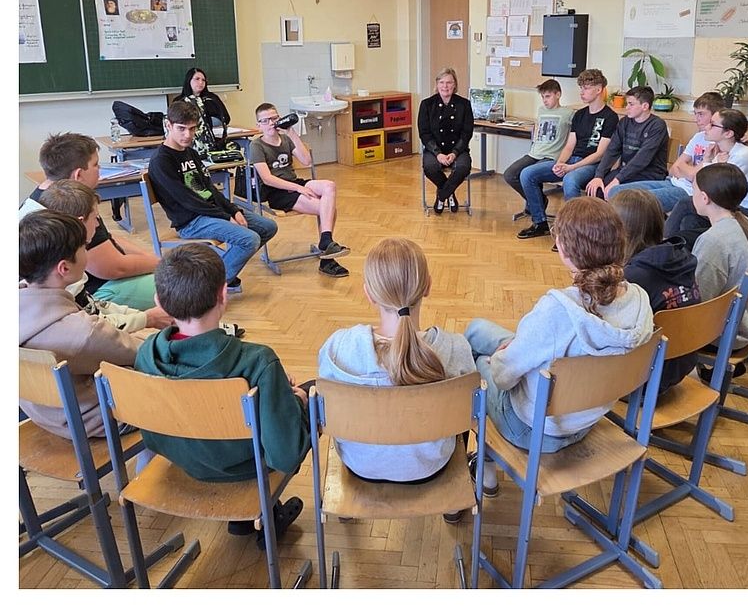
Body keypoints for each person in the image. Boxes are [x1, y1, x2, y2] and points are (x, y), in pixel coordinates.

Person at [134, 243, 309, 546]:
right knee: (312, 392)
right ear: (223, 295)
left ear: (159, 301)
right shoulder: (257, 360)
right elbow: (285, 456)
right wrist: (295, 400)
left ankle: (245, 522)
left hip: (181, 458)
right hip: (241, 466)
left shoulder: (146, 354)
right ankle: (262, 515)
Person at [465, 197, 653, 462]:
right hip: (586, 418)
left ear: (564, 248)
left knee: (470, 357)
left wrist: (500, 357)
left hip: (533, 429)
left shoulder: (557, 310)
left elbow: (503, 378)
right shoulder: (639, 300)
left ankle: (486, 464)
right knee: (477, 329)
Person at [318, 238, 477, 521]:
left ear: (369, 294)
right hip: (431, 466)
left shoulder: (337, 349)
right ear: (428, 286)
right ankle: (452, 506)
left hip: (360, 466)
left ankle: (347, 505)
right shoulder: (455, 349)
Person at [19, 210, 142, 439]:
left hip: (44, 415)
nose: (87, 251)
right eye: (84, 248)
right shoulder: (83, 332)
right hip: (96, 420)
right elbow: (140, 354)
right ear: (64, 268)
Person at [148, 100, 277, 293]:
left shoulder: (190, 152)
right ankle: (208, 289)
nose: (187, 135)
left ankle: (225, 274)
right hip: (191, 221)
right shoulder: (161, 161)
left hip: (209, 213)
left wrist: (233, 210)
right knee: (249, 240)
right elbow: (187, 200)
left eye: (192, 129)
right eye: (181, 129)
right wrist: (226, 217)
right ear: (168, 125)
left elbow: (210, 190)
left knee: (268, 227)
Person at [29, 132, 158, 310]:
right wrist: (160, 264)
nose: (101, 170)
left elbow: (106, 239)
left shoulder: (45, 195)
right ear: (79, 175)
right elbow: (114, 268)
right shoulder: (66, 207)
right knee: (184, 289)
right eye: (96, 165)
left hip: (97, 285)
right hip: (93, 292)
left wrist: (152, 259)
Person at [39, 180, 172, 335]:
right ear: (80, 222)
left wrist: (143, 317)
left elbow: (92, 307)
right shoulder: (66, 271)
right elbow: (94, 327)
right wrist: (148, 318)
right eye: (96, 218)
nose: (97, 225)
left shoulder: (61, 256)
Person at [610, 189, 701, 393]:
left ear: (620, 231)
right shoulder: (682, 258)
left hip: (645, 379)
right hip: (681, 364)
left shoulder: (633, 279)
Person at [251, 102, 350, 278]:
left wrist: (291, 132)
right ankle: (327, 257)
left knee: (329, 186)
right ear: (258, 124)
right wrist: (298, 188)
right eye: (265, 120)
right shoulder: (257, 146)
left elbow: (306, 161)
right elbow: (267, 178)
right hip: (278, 191)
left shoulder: (286, 139)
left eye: (274, 118)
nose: (271, 123)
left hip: (295, 183)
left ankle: (325, 241)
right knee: (328, 208)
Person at [665, 108, 748, 247]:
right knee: (690, 220)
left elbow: (706, 187)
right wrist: (707, 160)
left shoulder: (743, 155)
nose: (707, 126)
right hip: (731, 209)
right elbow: (699, 184)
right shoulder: (722, 152)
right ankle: (684, 261)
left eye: (713, 124)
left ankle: (663, 246)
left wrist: (707, 163)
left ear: (728, 133)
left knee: (686, 203)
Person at [520, 69, 619, 219]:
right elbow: (569, 146)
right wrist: (559, 164)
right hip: (572, 160)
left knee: (570, 179)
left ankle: (574, 230)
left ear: (598, 90)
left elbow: (600, 154)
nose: (582, 92)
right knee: (527, 174)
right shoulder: (579, 115)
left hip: (592, 165)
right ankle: (539, 222)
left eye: (586, 88)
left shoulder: (610, 117)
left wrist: (571, 168)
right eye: (581, 88)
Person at [691, 164, 748, 352]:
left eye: (693, 190)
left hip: (724, 331)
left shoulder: (714, 240)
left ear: (704, 198)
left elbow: (699, 300)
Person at [607, 91, 725, 212]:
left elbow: (696, 177)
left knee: (631, 202)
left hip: (689, 191)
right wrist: (689, 172)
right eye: (695, 114)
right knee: (615, 191)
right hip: (672, 181)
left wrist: (686, 171)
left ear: (716, 116)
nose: (696, 119)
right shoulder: (698, 137)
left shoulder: (721, 144)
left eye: (701, 114)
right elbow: (674, 169)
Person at [505, 79, 574, 236]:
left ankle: (539, 221)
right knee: (510, 174)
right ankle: (539, 200)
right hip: (534, 153)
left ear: (558, 94)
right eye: (543, 97)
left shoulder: (568, 114)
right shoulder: (541, 110)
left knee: (528, 174)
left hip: (552, 157)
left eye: (548, 96)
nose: (545, 100)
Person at [585, 86, 669, 200]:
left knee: (616, 193)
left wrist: (617, 180)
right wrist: (598, 176)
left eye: (631, 104)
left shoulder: (657, 125)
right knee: (595, 190)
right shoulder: (624, 122)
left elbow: (642, 159)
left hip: (649, 174)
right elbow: (612, 151)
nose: (626, 107)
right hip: (626, 171)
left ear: (645, 106)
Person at [418, 67, 474, 214]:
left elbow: (466, 133)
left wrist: (455, 153)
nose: (445, 86)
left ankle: (442, 196)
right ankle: (449, 193)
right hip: (434, 149)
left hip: (458, 149)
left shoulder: (464, 104)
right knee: (430, 167)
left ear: (455, 84)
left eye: (449, 82)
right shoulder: (427, 105)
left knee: (463, 167)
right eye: (442, 82)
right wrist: (438, 154)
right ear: (436, 85)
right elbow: (424, 134)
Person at [176, 67, 232, 158]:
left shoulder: (211, 99)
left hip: (209, 141)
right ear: (189, 80)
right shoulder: (179, 101)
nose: (201, 82)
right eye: (197, 79)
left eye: (203, 80)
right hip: (187, 142)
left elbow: (226, 118)